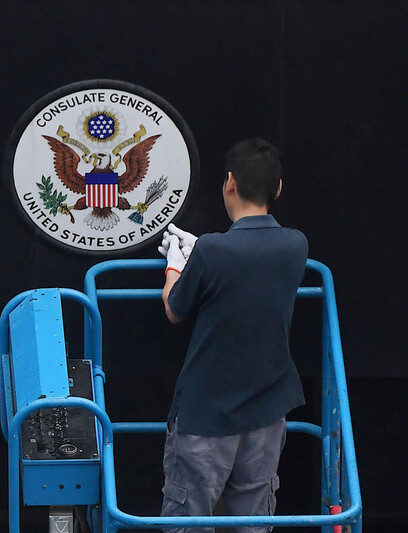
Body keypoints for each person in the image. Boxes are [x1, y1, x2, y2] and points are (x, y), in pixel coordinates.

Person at [158, 138, 308, 533]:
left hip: (205, 413)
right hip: (266, 410)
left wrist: (177, 264)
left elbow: (174, 309)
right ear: (277, 189)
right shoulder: (296, 245)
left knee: (190, 521)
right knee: (253, 523)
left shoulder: (210, 250)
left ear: (229, 183)